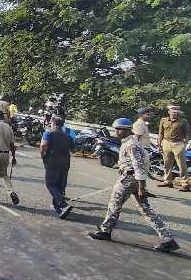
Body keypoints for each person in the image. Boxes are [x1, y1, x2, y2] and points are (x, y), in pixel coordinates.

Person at [88, 118, 180, 252]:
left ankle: (105, 230)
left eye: (118, 129)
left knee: (114, 203)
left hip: (130, 179)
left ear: (125, 130)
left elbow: (138, 166)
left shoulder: (130, 144)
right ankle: (168, 239)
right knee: (146, 210)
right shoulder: (131, 142)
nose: (116, 132)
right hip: (134, 179)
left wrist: (142, 187)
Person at [40, 116, 73, 218]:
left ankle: (63, 205)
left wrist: (42, 155)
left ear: (52, 123)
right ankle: (57, 206)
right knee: (60, 185)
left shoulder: (48, 133)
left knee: (50, 184)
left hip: (52, 162)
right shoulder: (68, 136)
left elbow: (43, 145)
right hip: (65, 163)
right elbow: (73, 148)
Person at [157, 104, 189, 191]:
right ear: (169, 112)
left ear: (178, 112)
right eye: (172, 112)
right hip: (166, 142)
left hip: (178, 144)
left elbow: (187, 134)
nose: (174, 113)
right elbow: (161, 133)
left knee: (181, 165)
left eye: (176, 112)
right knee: (167, 163)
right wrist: (159, 143)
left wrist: (185, 144)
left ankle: (185, 183)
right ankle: (168, 181)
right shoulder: (163, 120)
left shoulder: (183, 121)